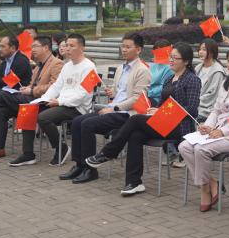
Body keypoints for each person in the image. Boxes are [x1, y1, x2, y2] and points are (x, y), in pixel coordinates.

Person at [84, 43, 201, 196]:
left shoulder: (192, 79)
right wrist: (155, 110)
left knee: (135, 120)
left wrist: (162, 111)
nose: (171, 60)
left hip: (179, 127)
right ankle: (134, 183)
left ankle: (108, 152)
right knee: (135, 135)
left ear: (186, 61)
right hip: (162, 122)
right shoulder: (169, 78)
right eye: (170, 57)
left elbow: (191, 108)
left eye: (175, 58)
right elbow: (162, 104)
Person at [59, 33, 151, 183]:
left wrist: (114, 108)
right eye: (123, 46)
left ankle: (90, 169)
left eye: (128, 47)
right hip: (112, 108)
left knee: (87, 124)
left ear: (139, 49)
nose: (124, 50)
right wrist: (112, 93)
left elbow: (137, 98)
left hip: (126, 114)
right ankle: (79, 165)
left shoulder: (142, 70)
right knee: (77, 121)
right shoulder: (121, 68)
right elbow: (118, 91)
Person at [179, 47, 229, 212]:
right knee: (184, 146)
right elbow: (216, 110)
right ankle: (211, 182)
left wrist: (223, 131)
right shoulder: (226, 84)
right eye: (228, 60)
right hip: (216, 130)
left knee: (201, 149)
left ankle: (204, 190)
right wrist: (208, 126)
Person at [21, 34, 96, 166]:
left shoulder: (89, 67)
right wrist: (43, 99)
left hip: (77, 108)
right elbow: (56, 86)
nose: (68, 48)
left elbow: (83, 95)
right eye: (67, 45)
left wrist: (60, 102)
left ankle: (61, 148)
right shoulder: (67, 66)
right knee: (28, 110)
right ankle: (28, 154)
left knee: (43, 118)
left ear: (82, 48)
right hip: (61, 103)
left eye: (72, 46)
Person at [195, 39, 226, 122]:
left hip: (206, 110)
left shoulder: (218, 71)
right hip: (194, 104)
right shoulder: (198, 67)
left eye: (204, 50)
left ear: (212, 52)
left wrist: (193, 101)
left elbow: (212, 95)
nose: (200, 52)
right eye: (200, 49)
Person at [148, 39, 174, 106]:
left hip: (157, 99)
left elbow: (164, 87)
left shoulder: (170, 68)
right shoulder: (152, 65)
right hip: (146, 95)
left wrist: (149, 93)